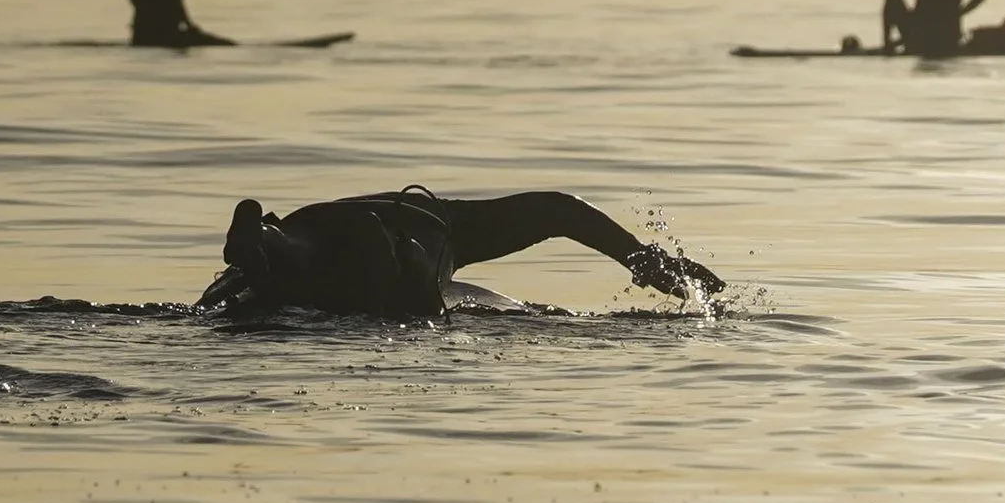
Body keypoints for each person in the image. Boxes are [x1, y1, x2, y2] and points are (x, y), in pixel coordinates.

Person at [195, 186, 723, 320]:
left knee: (294, 261)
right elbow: (562, 210)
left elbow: (559, 210)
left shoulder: (326, 224)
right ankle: (401, 270)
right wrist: (643, 262)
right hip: (404, 237)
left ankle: (264, 245)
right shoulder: (454, 224)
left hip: (306, 227)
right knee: (405, 293)